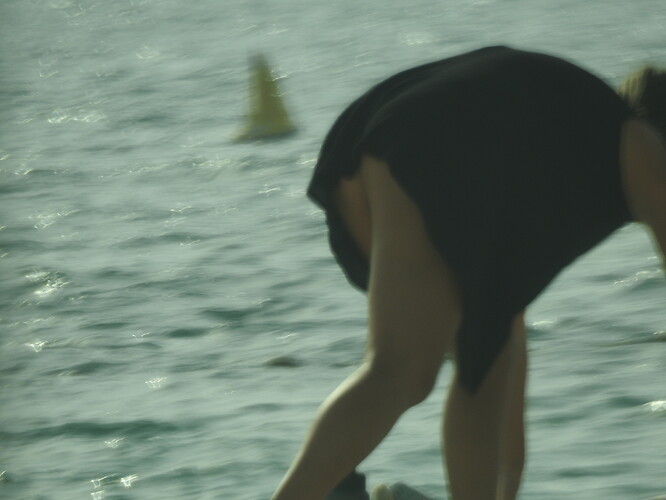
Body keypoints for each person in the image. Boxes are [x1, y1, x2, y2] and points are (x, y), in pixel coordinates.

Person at [271, 46, 666, 500]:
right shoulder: (638, 141)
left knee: (481, 360)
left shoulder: (561, 149)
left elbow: (504, 368)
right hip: (425, 150)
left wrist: (508, 490)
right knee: (402, 370)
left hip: (372, 143)